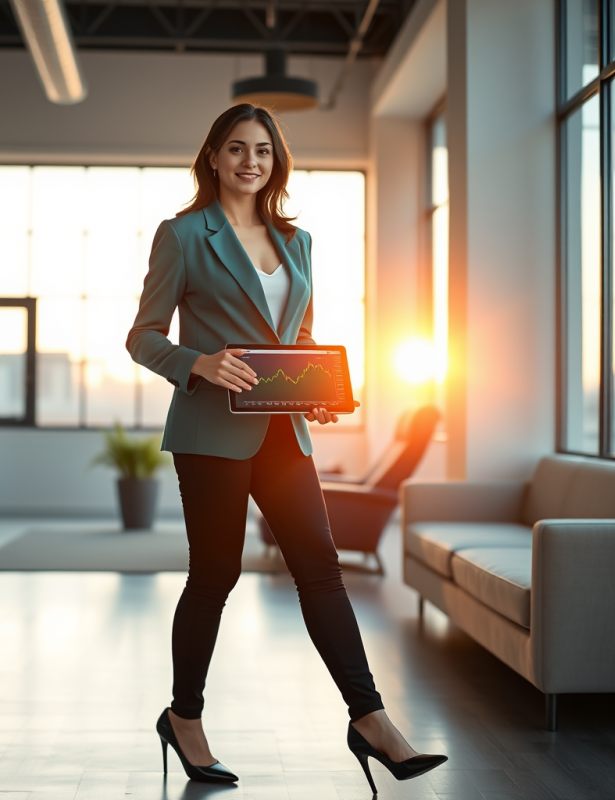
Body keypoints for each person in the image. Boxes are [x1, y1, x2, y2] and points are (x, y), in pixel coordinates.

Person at [126, 104, 447, 791]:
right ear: (213, 156)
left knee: (320, 568)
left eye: (263, 151)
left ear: (276, 161)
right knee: (216, 575)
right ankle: (184, 718)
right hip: (210, 431)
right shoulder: (183, 235)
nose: (251, 161)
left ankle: (371, 720)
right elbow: (143, 335)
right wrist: (197, 363)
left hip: (283, 428)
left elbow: (300, 339)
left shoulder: (296, 242)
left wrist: (320, 388)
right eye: (237, 148)